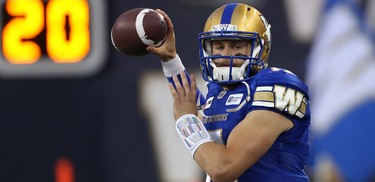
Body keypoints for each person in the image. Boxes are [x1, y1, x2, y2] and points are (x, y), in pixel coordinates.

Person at [147, 3, 311, 182]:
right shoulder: (216, 91)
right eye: (219, 46)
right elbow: (191, 101)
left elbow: (223, 168)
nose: (225, 56)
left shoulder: (277, 85)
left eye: (237, 46)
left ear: (260, 48)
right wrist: (170, 59)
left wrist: (186, 120)